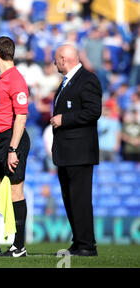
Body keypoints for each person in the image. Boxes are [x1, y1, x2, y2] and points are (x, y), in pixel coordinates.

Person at [50, 43, 101, 257]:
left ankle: (87, 245)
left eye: (56, 59)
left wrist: (65, 119)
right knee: (70, 199)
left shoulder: (87, 80)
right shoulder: (67, 82)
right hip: (67, 152)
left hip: (79, 151)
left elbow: (93, 112)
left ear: (64, 59)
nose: (54, 63)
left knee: (79, 198)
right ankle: (79, 240)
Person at [0, 36, 31, 257]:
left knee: (15, 191)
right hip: (0, 140)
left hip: (14, 139)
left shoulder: (15, 80)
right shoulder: (3, 78)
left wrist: (13, 149)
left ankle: (19, 245)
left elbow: (21, 117)